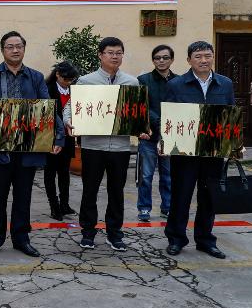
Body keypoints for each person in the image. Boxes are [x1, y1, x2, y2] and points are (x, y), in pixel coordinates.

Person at [0, 31, 64, 258]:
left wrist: (58, 136)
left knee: (23, 197)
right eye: (10, 47)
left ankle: (21, 239)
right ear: (3, 50)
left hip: (27, 148)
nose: (15, 50)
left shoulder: (35, 77)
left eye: (18, 46)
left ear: (24, 48)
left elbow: (47, 108)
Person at [64, 37, 140, 252]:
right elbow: (70, 107)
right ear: (100, 55)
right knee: (90, 190)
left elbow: (137, 112)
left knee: (117, 192)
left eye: (118, 53)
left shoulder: (131, 83)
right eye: (110, 53)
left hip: (120, 147)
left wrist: (141, 126)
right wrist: (68, 120)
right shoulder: (86, 81)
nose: (115, 57)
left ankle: (114, 233)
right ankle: (88, 232)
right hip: (92, 146)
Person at [164, 41, 235, 259]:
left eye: (207, 56)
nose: (203, 60)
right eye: (198, 56)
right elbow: (168, 116)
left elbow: (230, 114)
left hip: (213, 151)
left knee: (209, 196)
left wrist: (234, 144)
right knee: (181, 196)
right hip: (184, 153)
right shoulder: (176, 85)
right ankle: (176, 239)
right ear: (189, 60)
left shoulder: (225, 84)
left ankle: (205, 240)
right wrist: (164, 141)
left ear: (213, 57)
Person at [136, 45, 176, 222]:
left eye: (165, 57)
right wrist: (159, 121)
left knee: (168, 176)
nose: (161, 61)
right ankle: (144, 208)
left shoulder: (179, 81)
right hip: (149, 136)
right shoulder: (143, 80)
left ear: (171, 60)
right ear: (153, 60)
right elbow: (141, 106)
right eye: (157, 58)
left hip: (171, 138)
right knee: (146, 176)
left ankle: (167, 207)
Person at [43, 61, 79, 221]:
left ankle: (65, 204)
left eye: (71, 80)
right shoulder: (47, 89)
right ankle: (54, 206)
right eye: (66, 79)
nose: (68, 82)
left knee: (64, 172)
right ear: (57, 74)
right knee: (50, 173)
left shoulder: (74, 90)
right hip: (51, 137)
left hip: (68, 136)